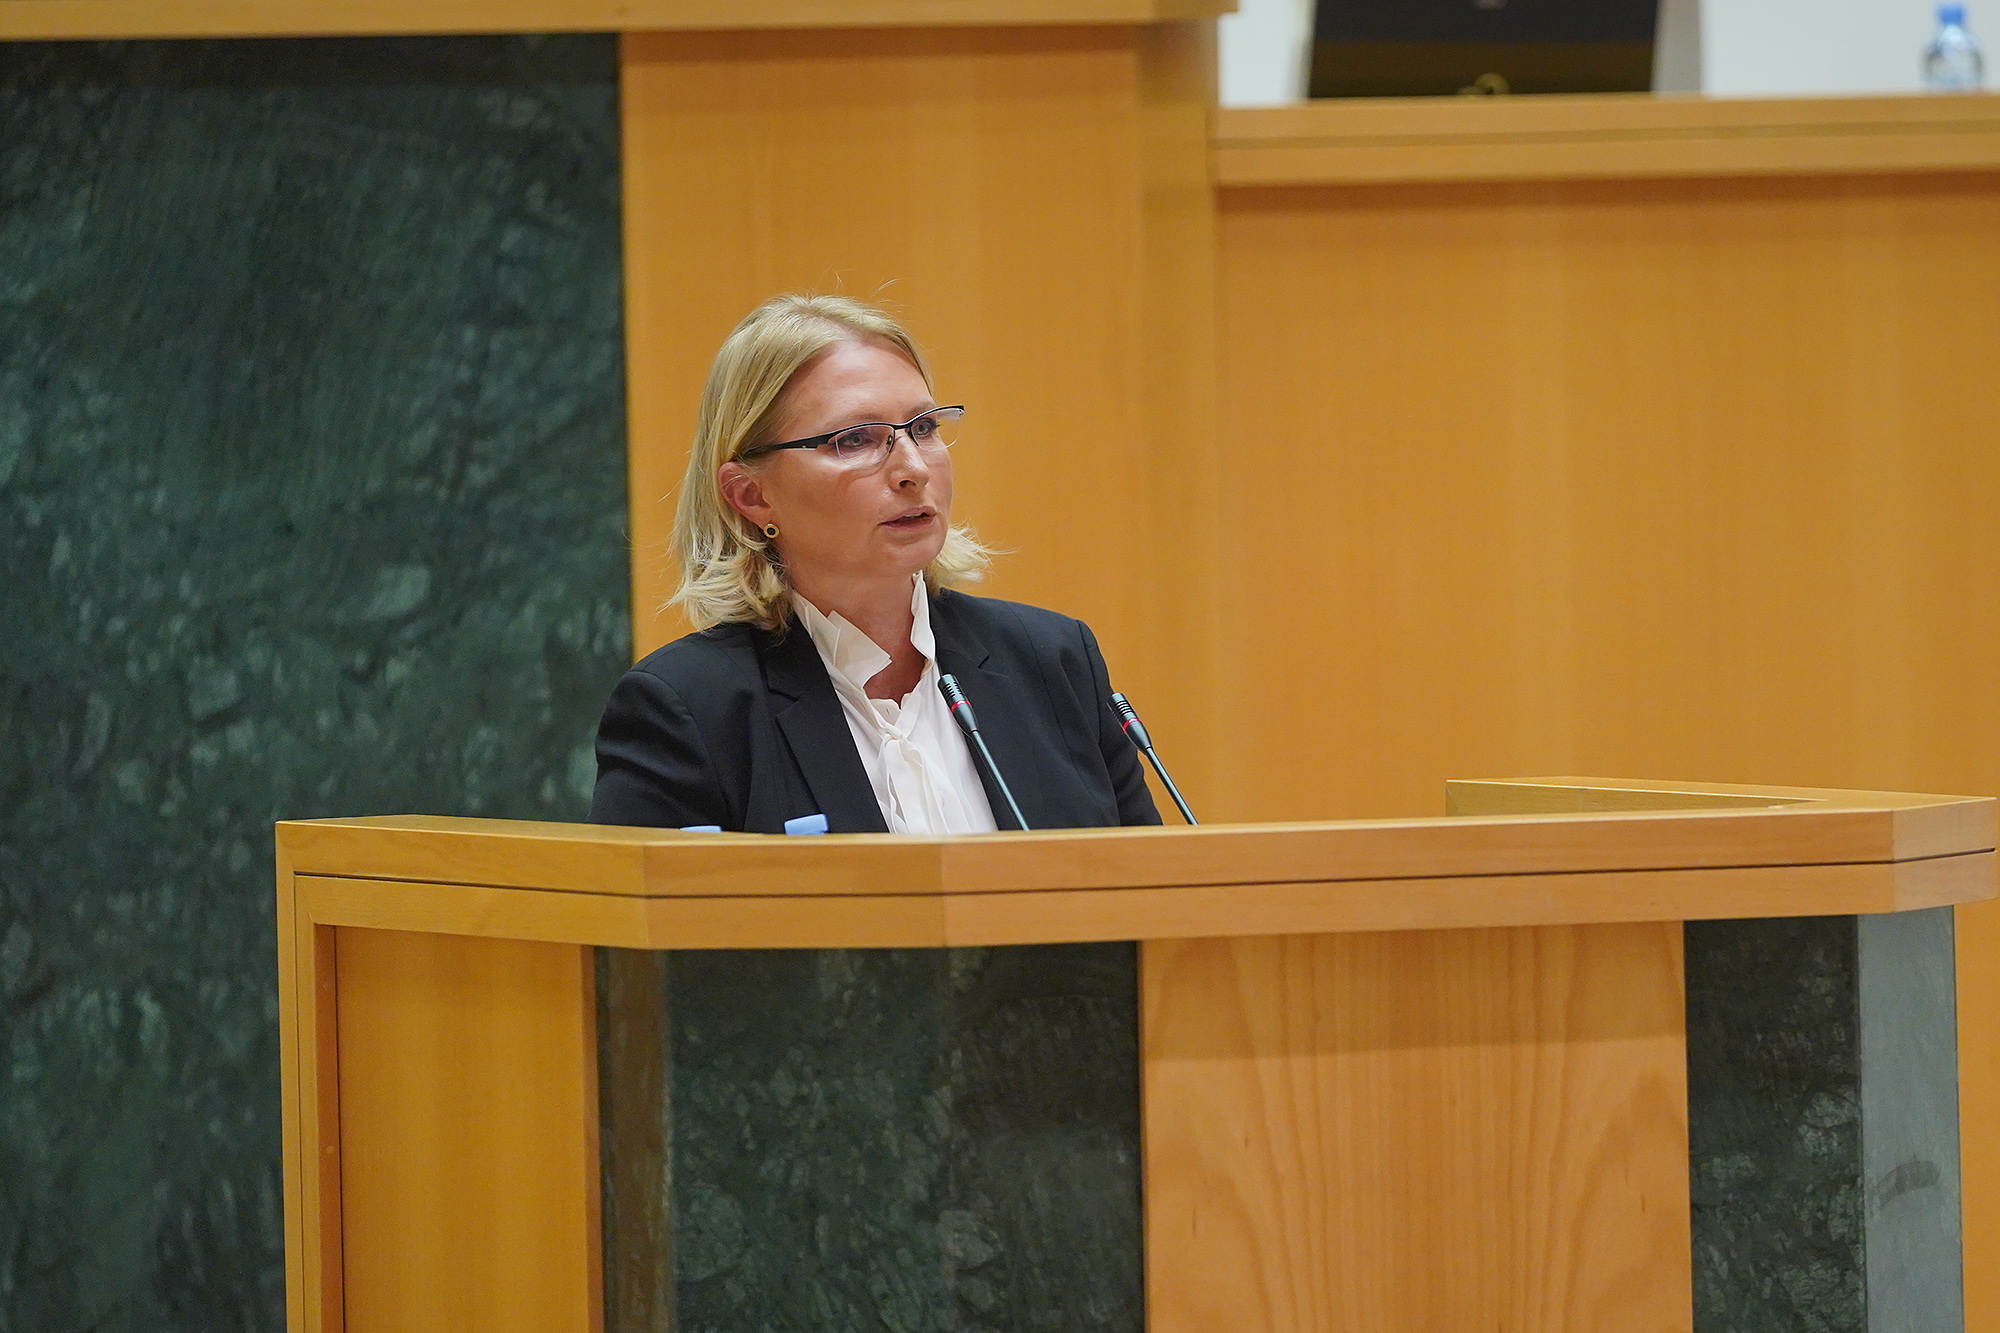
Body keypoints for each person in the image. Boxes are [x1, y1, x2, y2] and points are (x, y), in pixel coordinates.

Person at [588, 294, 1160, 834]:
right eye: (855, 440)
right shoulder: (689, 709)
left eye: (924, 427)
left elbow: (1149, 891)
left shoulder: (1052, 662)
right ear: (752, 495)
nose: (913, 468)